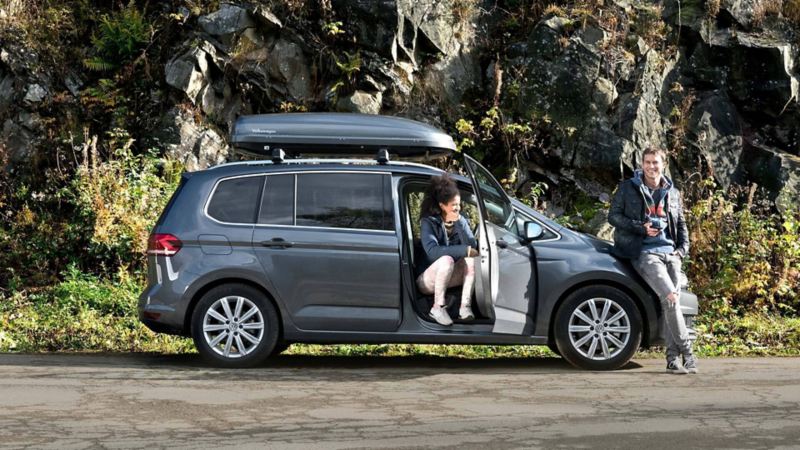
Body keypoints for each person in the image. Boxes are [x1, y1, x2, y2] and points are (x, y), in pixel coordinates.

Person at [608, 147, 698, 374]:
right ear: (641, 164)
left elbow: (681, 224)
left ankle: (672, 361)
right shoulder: (628, 188)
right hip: (644, 253)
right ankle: (688, 352)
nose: (651, 167)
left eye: (655, 162)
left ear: (663, 164)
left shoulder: (672, 192)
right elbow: (614, 216)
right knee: (671, 297)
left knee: (669, 303)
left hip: (671, 254)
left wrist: (682, 249)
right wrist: (640, 228)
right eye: (647, 162)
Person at [417, 174, 480, 326]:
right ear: (442, 205)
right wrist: (464, 250)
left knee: (471, 260)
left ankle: (465, 307)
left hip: (450, 274)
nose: (457, 208)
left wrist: (459, 224)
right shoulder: (428, 222)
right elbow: (432, 252)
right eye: (453, 205)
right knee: (447, 259)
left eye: (459, 204)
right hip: (427, 279)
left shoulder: (461, 220)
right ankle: (437, 308)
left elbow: (472, 246)